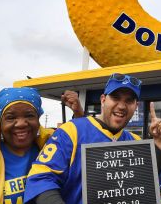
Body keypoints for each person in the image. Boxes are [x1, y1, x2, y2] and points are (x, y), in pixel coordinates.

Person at [24, 73, 142, 204]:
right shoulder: (71, 131)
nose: (121, 106)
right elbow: (40, 178)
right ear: (103, 100)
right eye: (115, 98)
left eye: (129, 100)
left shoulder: (136, 141)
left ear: (136, 106)